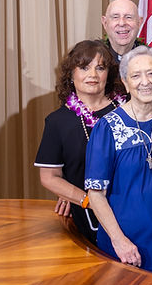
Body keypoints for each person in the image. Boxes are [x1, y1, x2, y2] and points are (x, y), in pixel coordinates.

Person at [84, 46, 152, 274]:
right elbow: (95, 194)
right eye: (136, 75)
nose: (145, 82)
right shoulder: (107, 127)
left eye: (151, 73)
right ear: (124, 81)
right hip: (127, 243)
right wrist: (119, 240)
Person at [35, 40, 124, 243]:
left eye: (100, 68)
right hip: (88, 220)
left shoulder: (127, 111)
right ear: (71, 74)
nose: (92, 75)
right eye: (84, 67)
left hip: (133, 210)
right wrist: (86, 200)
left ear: (108, 74)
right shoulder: (57, 122)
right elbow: (49, 177)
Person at [101, 0, 152, 100]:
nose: (121, 23)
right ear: (105, 22)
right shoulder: (92, 61)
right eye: (115, 17)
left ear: (139, 22)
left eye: (128, 17)